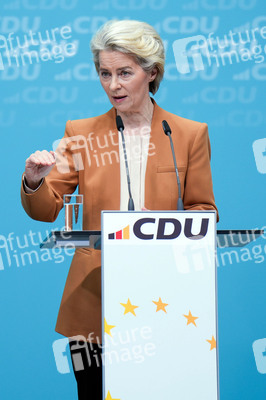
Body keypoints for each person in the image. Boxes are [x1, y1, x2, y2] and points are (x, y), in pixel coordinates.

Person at [21, 19, 219, 399]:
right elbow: (46, 209)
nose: (113, 85)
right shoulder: (79, 133)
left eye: (125, 73)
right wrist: (34, 181)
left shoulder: (188, 134)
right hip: (92, 302)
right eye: (105, 73)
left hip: (166, 298)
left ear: (152, 72)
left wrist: (163, 227)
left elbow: (203, 210)